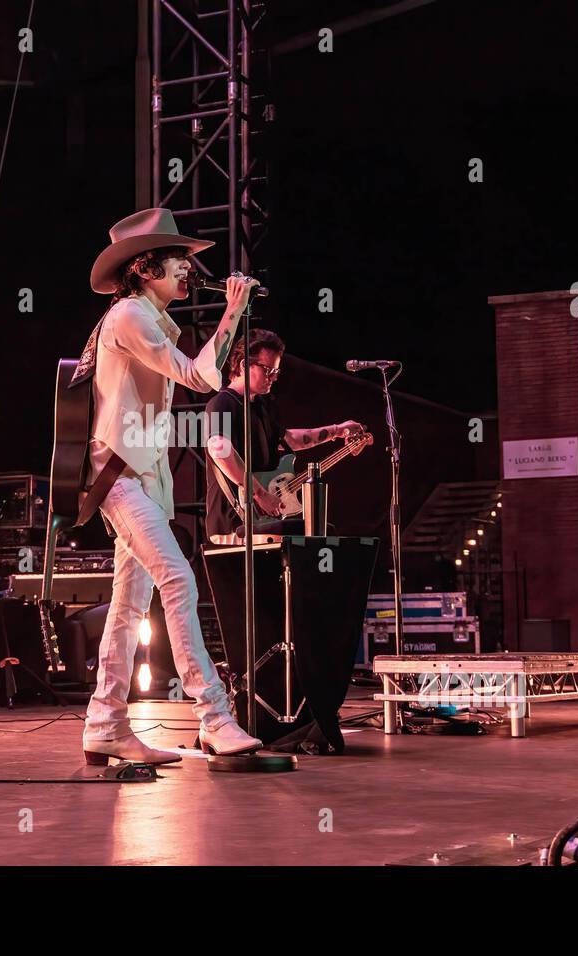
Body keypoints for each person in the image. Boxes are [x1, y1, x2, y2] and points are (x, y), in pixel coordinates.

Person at [76, 207, 262, 764]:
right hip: (121, 478)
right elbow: (202, 377)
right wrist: (232, 313)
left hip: (143, 479)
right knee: (179, 581)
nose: (188, 268)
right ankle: (214, 717)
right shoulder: (130, 315)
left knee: (129, 606)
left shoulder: (147, 317)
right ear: (145, 267)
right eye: (179, 258)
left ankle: (105, 722)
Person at [202, 328, 365, 543]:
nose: (273, 378)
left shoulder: (262, 405)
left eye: (276, 372)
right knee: (312, 537)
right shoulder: (222, 403)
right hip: (233, 522)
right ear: (244, 366)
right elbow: (218, 449)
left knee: (320, 531)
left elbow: (290, 440)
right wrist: (260, 495)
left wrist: (337, 430)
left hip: (258, 520)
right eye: (267, 370)